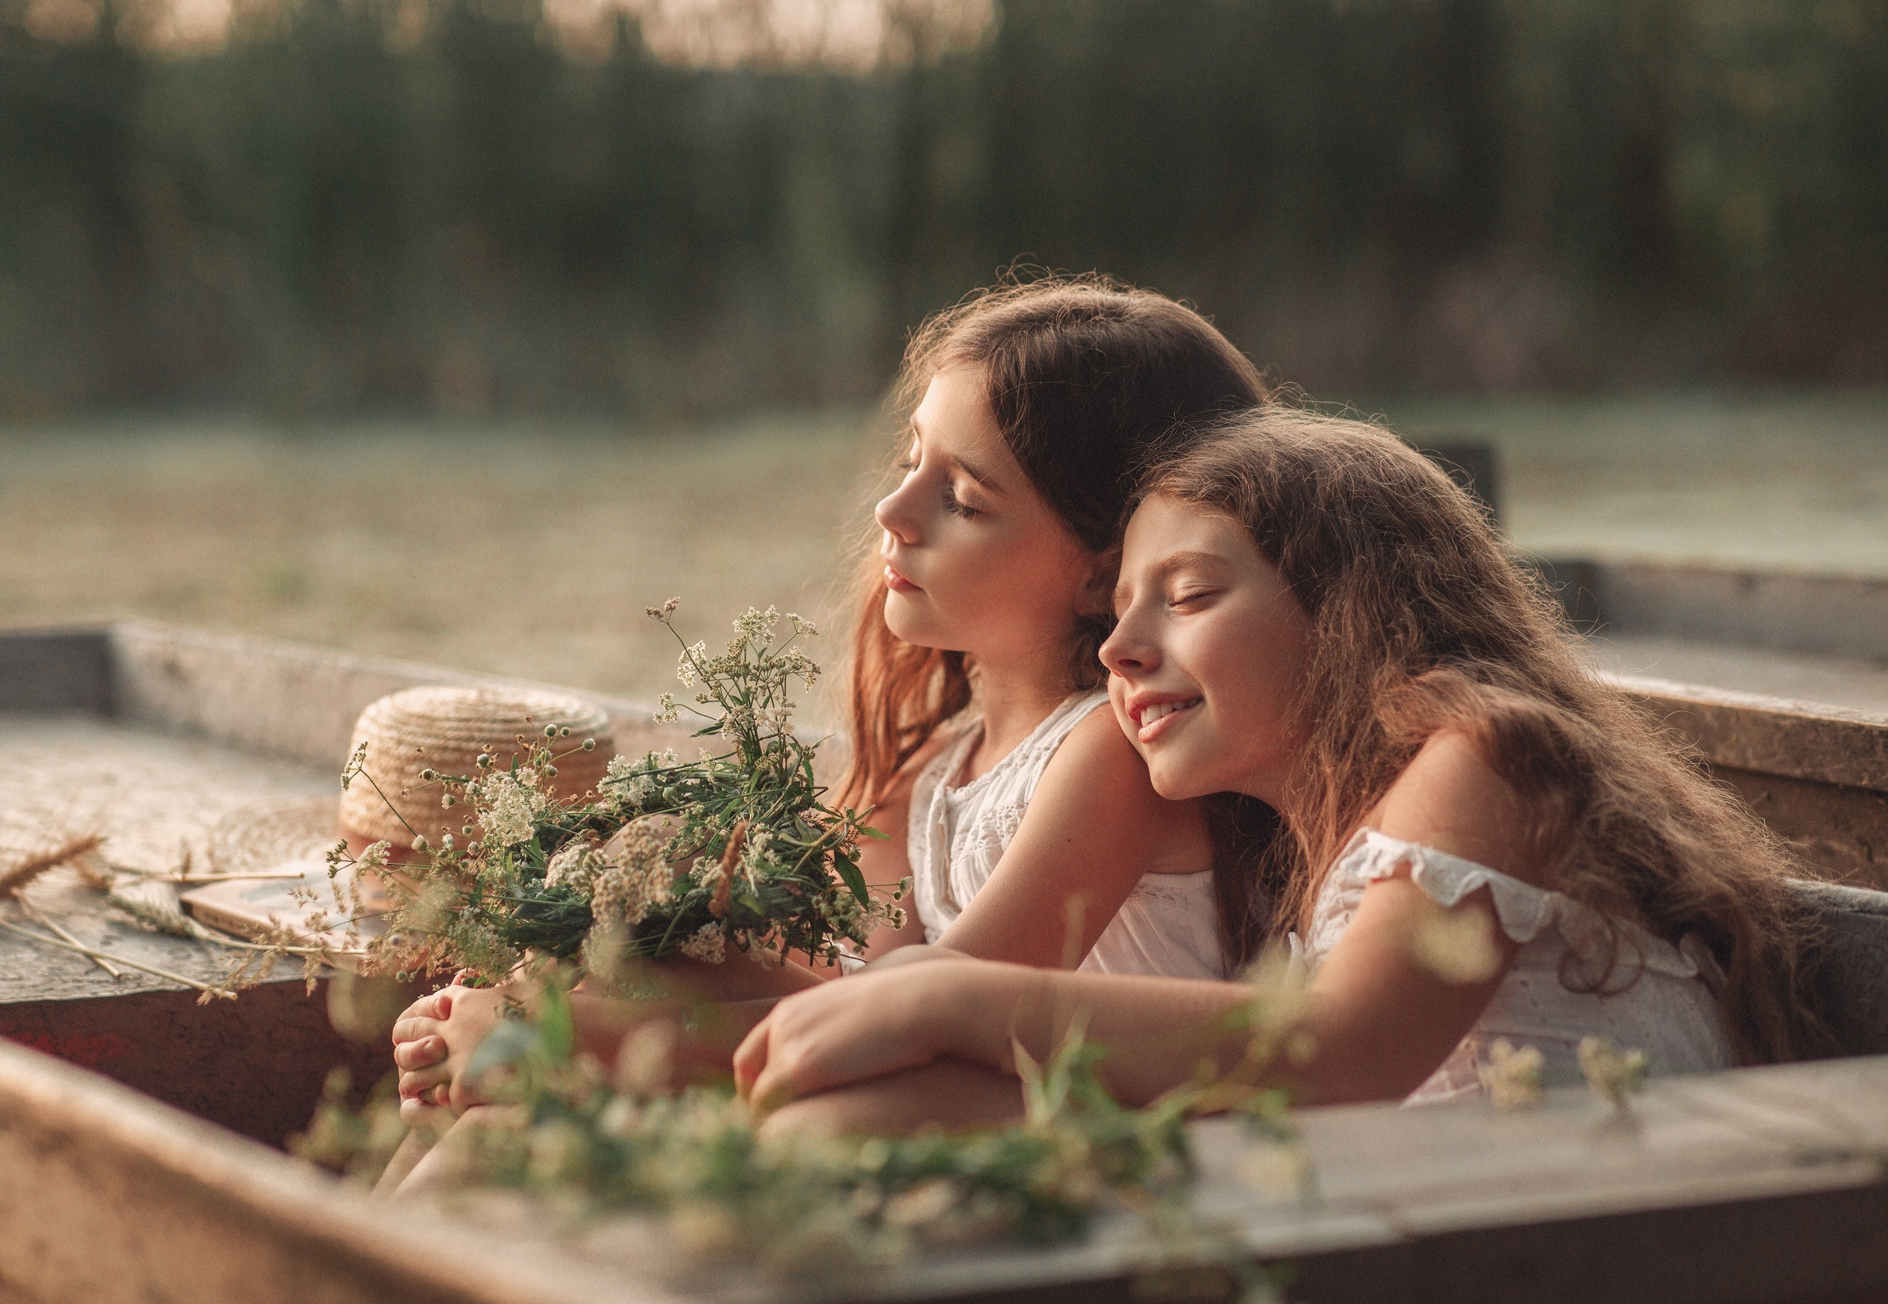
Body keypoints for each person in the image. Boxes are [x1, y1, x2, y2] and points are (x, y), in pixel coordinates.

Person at [733, 406, 1831, 1134]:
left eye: (1189, 594)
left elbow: (1339, 1053)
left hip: (1629, 1252)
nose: (1116, 651)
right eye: (1118, 606)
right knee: (852, 1111)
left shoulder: (1482, 757)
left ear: (1354, 613)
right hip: (1444, 1221)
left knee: (867, 1113)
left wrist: (950, 997)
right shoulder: (1314, 860)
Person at [389, 274, 1272, 1126]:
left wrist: (569, 1041)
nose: (892, 508)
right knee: (598, 1001)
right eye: (908, 460)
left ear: (1101, 571)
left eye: (960, 498)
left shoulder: (1108, 756)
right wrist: (569, 979)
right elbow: (846, 981)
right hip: (950, 1090)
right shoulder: (943, 758)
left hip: (1100, 1129)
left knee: (548, 1083)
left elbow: (918, 1017)